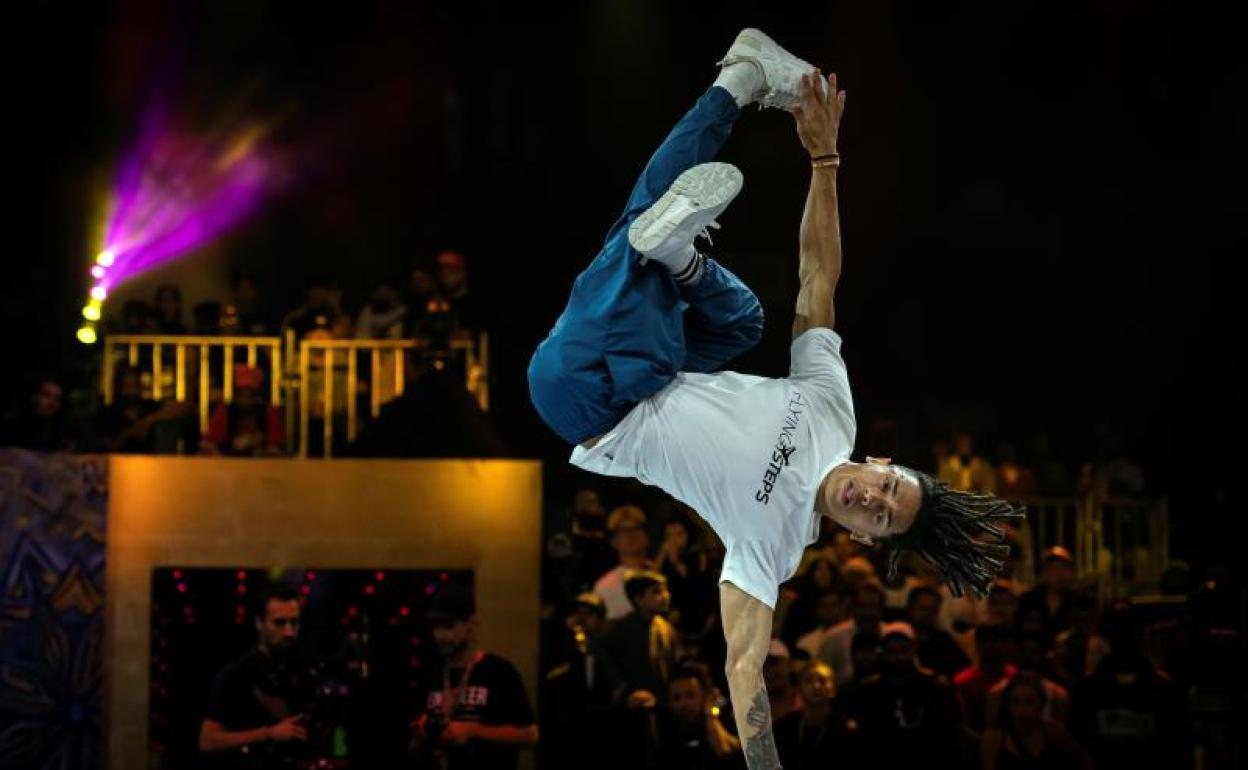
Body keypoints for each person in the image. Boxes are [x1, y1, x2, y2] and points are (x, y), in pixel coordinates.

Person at [526, 28, 1024, 768]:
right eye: (889, 488)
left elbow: (743, 665)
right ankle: (686, 230)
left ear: (865, 539)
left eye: (881, 518)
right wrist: (824, 160)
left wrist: (763, 760)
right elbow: (818, 276)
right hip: (648, 361)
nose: (872, 500)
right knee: (745, 320)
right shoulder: (832, 411)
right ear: (883, 463)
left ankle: (721, 124)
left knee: (636, 236)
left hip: (589, 401)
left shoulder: (775, 547)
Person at [411, 586, 538, 770]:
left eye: (448, 626)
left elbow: (530, 735)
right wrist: (422, 736)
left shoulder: (499, 671)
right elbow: (415, 750)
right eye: (435, 627)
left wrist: (471, 731)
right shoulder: (431, 674)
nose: (440, 636)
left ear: (471, 624)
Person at [199, 586, 313, 767]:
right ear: (259, 623)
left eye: (294, 622)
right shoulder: (235, 674)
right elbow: (207, 741)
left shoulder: (301, 674)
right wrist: (268, 734)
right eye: (280, 623)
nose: (289, 632)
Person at [856, 622, 964, 765]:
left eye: (903, 650)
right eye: (891, 651)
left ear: (914, 650)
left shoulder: (934, 687)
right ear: (883, 653)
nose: (898, 657)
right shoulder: (870, 691)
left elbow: (948, 734)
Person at [981, 672, 1094, 770]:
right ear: (1008, 705)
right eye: (1015, 702)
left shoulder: (1053, 731)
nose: (1021, 709)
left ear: (1041, 705)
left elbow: (1084, 760)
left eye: (1030, 702)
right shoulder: (994, 739)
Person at [773, 660, 862, 768]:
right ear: (799, 688)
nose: (816, 686)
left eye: (822, 681)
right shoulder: (783, 728)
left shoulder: (845, 730)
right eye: (809, 680)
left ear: (833, 689)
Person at [654, 663, 744, 770]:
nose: (683, 703)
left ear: (705, 696)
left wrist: (709, 712)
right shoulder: (669, 730)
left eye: (690, 696)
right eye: (676, 698)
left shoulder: (725, 719)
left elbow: (724, 749)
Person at [815, 579, 885, 687]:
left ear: (882, 608)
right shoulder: (834, 638)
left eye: (873, 607)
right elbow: (821, 679)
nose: (868, 613)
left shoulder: (892, 635)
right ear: (853, 607)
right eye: (863, 607)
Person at [593, 505, 654, 620]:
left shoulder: (662, 571)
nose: (631, 535)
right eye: (624, 531)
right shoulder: (605, 585)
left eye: (636, 528)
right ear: (614, 541)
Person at [907, 584, 972, 679]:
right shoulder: (897, 636)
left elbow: (964, 669)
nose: (927, 614)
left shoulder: (943, 641)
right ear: (910, 608)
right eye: (922, 609)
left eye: (932, 610)